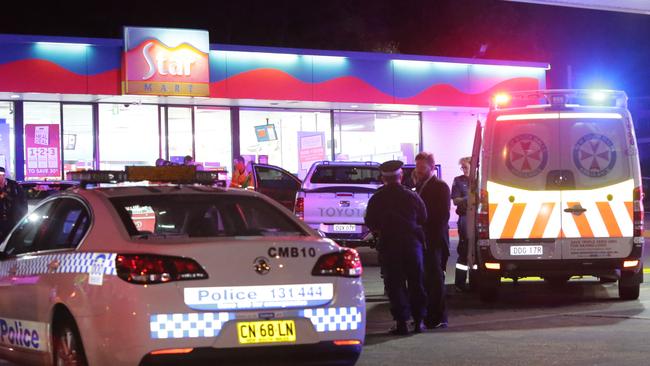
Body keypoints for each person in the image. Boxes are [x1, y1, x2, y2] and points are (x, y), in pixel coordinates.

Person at [365, 160, 427, 335]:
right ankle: (418, 321)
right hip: (412, 244)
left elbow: (370, 221)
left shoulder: (377, 198)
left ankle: (401, 323)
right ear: (401, 176)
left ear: (383, 179)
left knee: (395, 284)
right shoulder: (412, 196)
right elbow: (424, 216)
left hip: (390, 245)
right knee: (416, 283)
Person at [413, 152, 450, 329]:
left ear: (432, 167)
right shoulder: (419, 185)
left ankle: (438, 316)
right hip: (422, 240)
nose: (418, 171)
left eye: (422, 168)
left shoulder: (440, 187)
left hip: (434, 240)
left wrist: (424, 230)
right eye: (417, 167)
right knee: (425, 279)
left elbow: (442, 216)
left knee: (435, 279)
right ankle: (428, 314)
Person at [452, 157, 471, 291]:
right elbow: (455, 200)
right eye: (462, 167)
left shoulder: (479, 180)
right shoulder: (458, 181)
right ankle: (460, 283)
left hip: (477, 218)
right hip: (464, 218)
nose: (463, 169)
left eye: (465, 167)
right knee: (463, 250)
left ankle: (476, 281)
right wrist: (468, 198)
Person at [0, 167, 27, 241]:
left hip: (12, 219)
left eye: (1, 175)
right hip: (1, 219)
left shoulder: (14, 185)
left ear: (4, 175)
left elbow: (22, 201)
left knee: (12, 240)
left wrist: (22, 216)